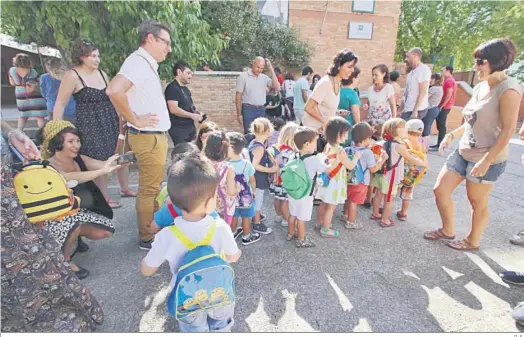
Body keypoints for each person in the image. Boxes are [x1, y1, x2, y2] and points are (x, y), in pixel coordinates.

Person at [0, 122, 104, 332]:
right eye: (70, 141)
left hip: (9, 199)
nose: (76, 145)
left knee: (34, 257)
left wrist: (10, 133)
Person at [424, 38, 522, 250]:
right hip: (464, 151)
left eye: (480, 62)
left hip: (488, 156)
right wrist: (452, 135)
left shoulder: (509, 90)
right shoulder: (480, 86)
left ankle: (472, 240)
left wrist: (487, 161)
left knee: (476, 201)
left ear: (497, 61)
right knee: (440, 190)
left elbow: (508, 131)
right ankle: (447, 230)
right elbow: (471, 120)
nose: (475, 66)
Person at [140, 155, 241, 333]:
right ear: (210, 202)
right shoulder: (220, 227)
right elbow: (233, 257)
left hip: (188, 297)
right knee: (221, 326)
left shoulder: (166, 235)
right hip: (219, 291)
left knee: (194, 329)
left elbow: (146, 270)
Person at [106, 20, 172, 250]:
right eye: (166, 42)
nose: (169, 48)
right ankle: (148, 236)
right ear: (150, 39)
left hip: (153, 135)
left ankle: (152, 228)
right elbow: (114, 90)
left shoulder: (145, 63)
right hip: (148, 135)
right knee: (149, 189)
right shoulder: (137, 62)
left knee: (152, 187)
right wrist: (134, 119)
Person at [53, 39, 131, 209]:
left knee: (113, 155)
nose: (97, 59)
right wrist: (57, 130)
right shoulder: (72, 75)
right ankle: (102, 198)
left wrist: (122, 117)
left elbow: (112, 97)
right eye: (93, 56)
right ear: (82, 57)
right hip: (89, 124)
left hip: (109, 120)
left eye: (98, 56)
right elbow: (60, 103)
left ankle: (114, 193)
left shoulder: (102, 73)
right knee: (97, 159)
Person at [37, 120, 121, 279]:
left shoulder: (80, 159)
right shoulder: (47, 166)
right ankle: (64, 261)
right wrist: (101, 171)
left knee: (105, 231)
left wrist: (123, 159)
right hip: (55, 218)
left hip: (79, 211)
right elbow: (69, 177)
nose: (77, 145)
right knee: (73, 222)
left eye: (78, 141)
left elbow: (103, 164)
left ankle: (75, 238)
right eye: (70, 141)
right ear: (56, 143)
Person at [371, 118, 428, 227]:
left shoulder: (380, 143)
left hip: (380, 173)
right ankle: (385, 219)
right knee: (389, 198)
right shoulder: (399, 146)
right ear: (395, 130)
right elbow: (410, 158)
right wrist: (423, 163)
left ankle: (375, 213)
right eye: (403, 127)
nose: (406, 128)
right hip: (391, 176)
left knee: (378, 194)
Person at [287, 127, 338, 247]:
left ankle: (290, 234)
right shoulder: (313, 159)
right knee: (302, 218)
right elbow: (328, 170)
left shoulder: (293, 155)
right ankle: (301, 239)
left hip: (293, 191)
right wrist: (338, 159)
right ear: (306, 144)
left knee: (293, 213)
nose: (317, 144)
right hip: (305, 194)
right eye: (315, 142)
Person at [316, 117, 361, 238]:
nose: (347, 137)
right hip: (335, 182)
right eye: (345, 134)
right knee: (331, 206)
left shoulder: (328, 146)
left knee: (324, 203)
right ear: (337, 134)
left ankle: (320, 222)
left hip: (328, 179)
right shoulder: (340, 150)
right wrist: (356, 157)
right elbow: (350, 166)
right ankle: (325, 229)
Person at [343, 122, 387, 229]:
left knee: (348, 198)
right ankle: (351, 222)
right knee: (354, 201)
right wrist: (382, 160)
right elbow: (373, 169)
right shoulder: (367, 152)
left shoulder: (348, 149)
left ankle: (345, 215)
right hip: (361, 182)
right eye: (369, 138)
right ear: (365, 139)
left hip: (348, 180)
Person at [303, 49, 358, 134]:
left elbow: (324, 106)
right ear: (339, 65)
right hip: (311, 134)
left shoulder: (338, 82)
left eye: (353, 67)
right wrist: (325, 121)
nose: (352, 70)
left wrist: (337, 112)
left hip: (322, 133)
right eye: (349, 66)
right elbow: (308, 107)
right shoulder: (326, 83)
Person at [227, 132, 261, 245]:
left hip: (231, 195)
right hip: (246, 196)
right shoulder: (247, 164)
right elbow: (252, 179)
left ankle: (232, 234)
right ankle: (246, 236)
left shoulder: (226, 165)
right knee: (246, 217)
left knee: (234, 215)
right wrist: (254, 190)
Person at [248, 117, 279, 234]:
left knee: (257, 199)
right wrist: (271, 169)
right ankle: (256, 223)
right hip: (258, 178)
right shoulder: (259, 147)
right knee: (258, 200)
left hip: (256, 177)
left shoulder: (255, 143)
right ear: (267, 131)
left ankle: (256, 216)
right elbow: (254, 165)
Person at [235, 57, 280, 134]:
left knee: (261, 134)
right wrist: (239, 114)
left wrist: (271, 69)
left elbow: (277, 87)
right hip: (248, 109)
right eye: (258, 67)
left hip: (261, 109)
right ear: (253, 63)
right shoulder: (243, 77)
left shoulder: (264, 77)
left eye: (262, 68)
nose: (259, 70)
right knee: (249, 134)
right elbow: (238, 96)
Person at [204, 131, 240, 225]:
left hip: (206, 205)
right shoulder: (228, 168)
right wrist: (238, 189)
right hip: (224, 208)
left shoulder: (203, 164)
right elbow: (231, 192)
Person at [165, 61, 204, 145]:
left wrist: (197, 113)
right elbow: (174, 109)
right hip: (179, 129)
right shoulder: (172, 88)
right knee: (182, 155)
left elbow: (190, 107)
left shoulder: (185, 89)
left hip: (190, 128)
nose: (190, 76)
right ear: (179, 72)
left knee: (193, 154)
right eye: (188, 73)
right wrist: (192, 115)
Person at [396, 119, 428, 222]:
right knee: (407, 193)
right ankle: (403, 213)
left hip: (402, 170)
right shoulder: (422, 143)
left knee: (394, 189)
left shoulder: (405, 141)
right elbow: (424, 157)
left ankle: (386, 207)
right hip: (414, 173)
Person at [269, 122, 299, 228]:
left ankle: (278, 216)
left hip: (276, 178)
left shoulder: (276, 147)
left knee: (277, 198)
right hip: (286, 180)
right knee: (285, 200)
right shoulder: (290, 152)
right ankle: (286, 219)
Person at [8, 53, 48, 130]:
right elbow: (38, 81)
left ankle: (19, 132)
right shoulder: (32, 71)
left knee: (23, 116)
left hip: (21, 95)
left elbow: (12, 83)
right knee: (40, 117)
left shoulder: (12, 70)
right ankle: (43, 134)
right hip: (35, 95)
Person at [364, 64, 397, 140]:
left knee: (384, 140)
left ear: (383, 74)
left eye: (376, 75)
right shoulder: (370, 89)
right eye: (373, 75)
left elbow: (393, 104)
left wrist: (394, 120)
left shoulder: (388, 88)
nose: (374, 77)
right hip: (373, 121)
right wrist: (366, 105)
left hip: (384, 121)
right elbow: (368, 103)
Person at [39, 57, 76, 123]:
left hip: (52, 107)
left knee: (56, 129)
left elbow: (43, 93)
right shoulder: (69, 75)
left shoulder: (44, 77)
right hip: (70, 107)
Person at [429, 65, 457, 151]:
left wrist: (441, 106)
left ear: (448, 71)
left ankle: (440, 145)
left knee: (441, 126)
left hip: (445, 106)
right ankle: (439, 144)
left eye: (443, 70)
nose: (442, 71)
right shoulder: (449, 80)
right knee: (440, 125)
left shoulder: (449, 81)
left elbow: (449, 94)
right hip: (445, 106)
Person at [401, 47, 431, 120]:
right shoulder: (411, 72)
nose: (406, 59)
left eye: (408, 56)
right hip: (408, 108)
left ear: (415, 55)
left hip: (416, 110)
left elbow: (422, 92)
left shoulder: (424, 70)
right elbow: (407, 92)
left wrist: (415, 111)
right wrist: (402, 108)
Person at [338, 68, 362, 146]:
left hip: (337, 127)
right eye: (358, 77)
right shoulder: (352, 93)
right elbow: (355, 113)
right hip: (348, 128)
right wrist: (359, 128)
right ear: (353, 79)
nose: (359, 79)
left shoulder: (337, 91)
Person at [422, 74, 443, 141]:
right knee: (427, 127)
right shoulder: (440, 88)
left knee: (425, 129)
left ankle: (424, 146)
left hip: (430, 109)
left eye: (432, 78)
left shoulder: (434, 88)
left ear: (435, 79)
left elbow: (424, 98)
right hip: (434, 109)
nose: (430, 80)